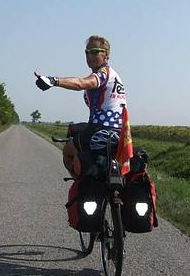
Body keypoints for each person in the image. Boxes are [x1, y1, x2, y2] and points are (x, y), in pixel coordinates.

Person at [34, 35, 127, 176]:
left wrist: (53, 81)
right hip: (120, 131)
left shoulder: (104, 74)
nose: (89, 55)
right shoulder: (115, 76)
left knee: (68, 151)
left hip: (100, 129)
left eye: (95, 51)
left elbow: (80, 83)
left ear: (106, 55)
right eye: (87, 52)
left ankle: (80, 186)